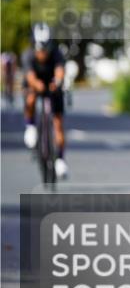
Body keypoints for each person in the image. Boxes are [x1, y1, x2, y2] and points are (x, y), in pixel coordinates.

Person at [22, 23, 69, 179]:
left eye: (45, 48)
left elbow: (60, 70)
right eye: (39, 49)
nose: (42, 53)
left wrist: (58, 81)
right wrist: (36, 85)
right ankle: (30, 127)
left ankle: (60, 160)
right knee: (30, 97)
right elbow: (30, 77)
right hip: (35, 83)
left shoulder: (56, 53)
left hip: (52, 84)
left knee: (58, 123)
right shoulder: (28, 55)